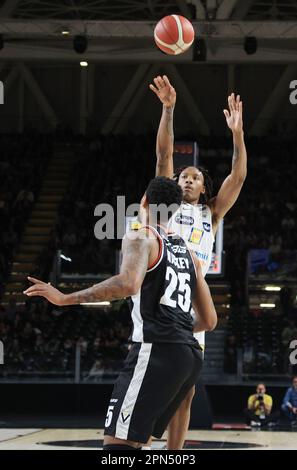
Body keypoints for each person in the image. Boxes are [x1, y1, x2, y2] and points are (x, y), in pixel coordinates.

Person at [24, 176, 217, 450]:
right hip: (189, 357)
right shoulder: (189, 252)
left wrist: (66, 298)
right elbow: (210, 321)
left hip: (157, 352)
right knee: (141, 444)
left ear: (145, 202)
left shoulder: (141, 235)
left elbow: (128, 283)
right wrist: (176, 331)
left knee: (117, 448)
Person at [149, 75, 247, 449]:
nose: (186, 181)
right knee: (152, 385)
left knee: (186, 393)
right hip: (162, 301)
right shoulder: (165, 205)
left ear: (204, 187)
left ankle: (174, 454)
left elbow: (237, 176)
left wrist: (237, 134)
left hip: (193, 308)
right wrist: (168, 108)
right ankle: (132, 442)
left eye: (194, 178)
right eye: (182, 177)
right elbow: (163, 155)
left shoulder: (212, 213)